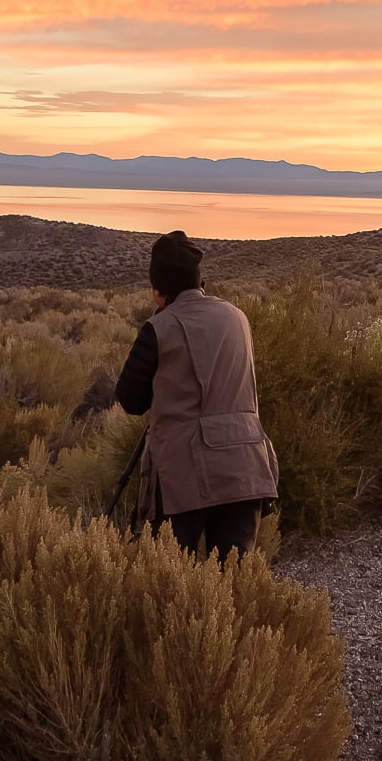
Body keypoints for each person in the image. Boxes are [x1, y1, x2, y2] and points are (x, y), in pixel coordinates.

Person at [115, 228, 279, 560]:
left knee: (171, 588)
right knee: (233, 586)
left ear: (157, 290)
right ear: (199, 281)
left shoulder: (158, 328)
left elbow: (131, 399)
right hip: (245, 469)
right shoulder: (238, 318)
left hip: (182, 479)